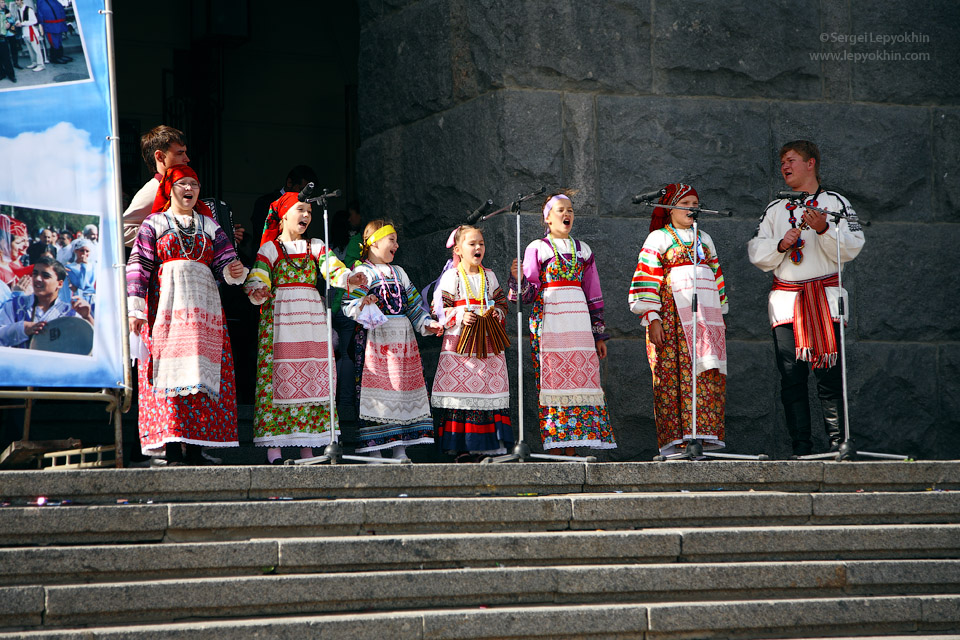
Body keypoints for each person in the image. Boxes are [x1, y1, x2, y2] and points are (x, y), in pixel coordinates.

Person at [747, 140, 865, 456]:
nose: (785, 166)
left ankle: (838, 444)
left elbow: (853, 245)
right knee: (791, 378)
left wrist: (825, 228)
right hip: (786, 303)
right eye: (782, 161)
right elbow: (757, 252)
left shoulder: (835, 203)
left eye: (792, 160)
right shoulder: (774, 209)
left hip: (825, 299)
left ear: (811, 163)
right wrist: (781, 245)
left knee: (829, 376)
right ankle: (801, 448)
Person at [126, 165, 248, 465]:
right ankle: (171, 448)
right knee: (169, 371)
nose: (189, 188)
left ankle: (195, 448)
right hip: (166, 306)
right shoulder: (155, 223)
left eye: (194, 183)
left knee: (200, 372)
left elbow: (227, 262)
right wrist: (135, 308)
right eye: (183, 183)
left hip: (204, 310)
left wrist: (234, 270)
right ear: (170, 188)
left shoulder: (210, 226)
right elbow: (139, 264)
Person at [243, 192, 365, 464]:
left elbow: (332, 268)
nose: (307, 216)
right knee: (278, 380)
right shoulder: (270, 249)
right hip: (281, 319)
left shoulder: (316, 245)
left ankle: (308, 446)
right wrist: (259, 289)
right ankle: (274, 449)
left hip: (310, 320)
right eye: (301, 210)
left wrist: (348, 277)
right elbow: (259, 276)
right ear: (284, 215)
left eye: (310, 211)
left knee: (312, 379)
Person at [509, 191, 617, 456]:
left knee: (581, 380)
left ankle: (574, 448)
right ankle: (557, 447)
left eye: (570, 210)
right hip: (550, 324)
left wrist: (598, 335)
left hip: (579, 324)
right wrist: (517, 279)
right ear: (547, 218)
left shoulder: (583, 250)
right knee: (554, 381)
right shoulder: (538, 247)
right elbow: (529, 293)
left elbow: (593, 292)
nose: (567, 214)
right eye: (560, 210)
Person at [629, 184, 728, 457]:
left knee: (704, 375)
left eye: (696, 202)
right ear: (670, 207)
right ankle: (678, 443)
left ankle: (702, 440)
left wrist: (718, 319)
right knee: (672, 377)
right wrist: (653, 318)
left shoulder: (704, 239)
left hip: (704, 322)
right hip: (671, 319)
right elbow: (646, 280)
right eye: (686, 202)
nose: (692, 207)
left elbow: (717, 279)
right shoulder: (658, 238)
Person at [342, 220, 443, 460]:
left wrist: (427, 323)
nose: (396, 245)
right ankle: (373, 449)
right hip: (375, 341)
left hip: (402, 342)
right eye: (392, 239)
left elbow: (414, 305)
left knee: (401, 392)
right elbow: (348, 305)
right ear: (374, 242)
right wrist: (362, 303)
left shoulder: (400, 272)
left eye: (396, 240)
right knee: (375, 394)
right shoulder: (362, 272)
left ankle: (400, 448)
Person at [431, 225, 513, 461]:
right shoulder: (452, 276)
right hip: (461, 345)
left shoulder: (490, 276)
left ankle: (487, 449)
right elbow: (441, 310)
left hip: (487, 343)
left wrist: (497, 312)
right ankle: (462, 448)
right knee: (463, 395)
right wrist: (459, 316)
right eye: (472, 244)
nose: (478, 248)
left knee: (487, 391)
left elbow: (501, 303)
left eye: (481, 243)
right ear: (458, 249)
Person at [0, 256, 92, 348]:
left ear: (59, 284)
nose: (37, 279)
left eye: (45, 276)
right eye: (35, 274)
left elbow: (89, 345)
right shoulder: (14, 305)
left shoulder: (70, 312)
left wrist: (87, 317)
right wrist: (22, 328)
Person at [123, 126, 190, 247]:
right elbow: (122, 231)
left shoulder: (185, 186)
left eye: (185, 152)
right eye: (180, 153)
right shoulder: (154, 189)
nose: (187, 159)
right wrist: (165, 236)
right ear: (159, 156)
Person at [248, 165, 317, 258]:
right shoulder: (265, 202)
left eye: (309, 212)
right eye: (301, 190)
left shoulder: (305, 205)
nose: (304, 195)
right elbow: (260, 232)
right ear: (289, 183)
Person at [59, 237, 95, 307]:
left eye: (87, 251)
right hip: (78, 300)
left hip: (91, 300)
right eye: (82, 250)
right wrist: (83, 266)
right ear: (76, 251)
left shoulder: (92, 266)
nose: (84, 253)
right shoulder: (69, 268)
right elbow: (82, 285)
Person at [35, 0, 69, 65]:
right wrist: (41, 24)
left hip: (59, 24)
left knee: (59, 41)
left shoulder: (53, 1)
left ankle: (60, 56)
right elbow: (40, 13)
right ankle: (54, 58)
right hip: (50, 26)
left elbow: (60, 8)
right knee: (54, 42)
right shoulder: (41, 1)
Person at [13, 0, 43, 72]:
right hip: (25, 32)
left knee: (36, 49)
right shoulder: (18, 10)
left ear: (21, 1)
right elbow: (18, 19)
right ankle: (34, 62)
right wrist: (18, 23)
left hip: (31, 32)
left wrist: (22, 23)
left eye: (17, 0)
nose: (16, 2)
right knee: (30, 49)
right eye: (15, 1)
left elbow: (34, 21)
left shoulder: (29, 9)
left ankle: (41, 64)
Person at [0, 1, 17, 83]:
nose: (4, 3)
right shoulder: (4, 14)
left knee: (6, 57)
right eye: (2, 2)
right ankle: (2, 73)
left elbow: (9, 23)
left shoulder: (6, 11)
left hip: (3, 37)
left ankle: (11, 75)